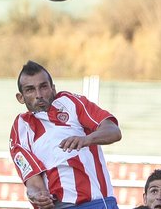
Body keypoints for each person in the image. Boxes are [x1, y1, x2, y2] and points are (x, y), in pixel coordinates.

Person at [9, 60, 122, 209]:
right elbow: (33, 183)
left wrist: (86, 139)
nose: (39, 95)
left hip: (96, 203)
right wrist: (37, 196)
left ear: (53, 89)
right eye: (30, 90)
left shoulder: (70, 103)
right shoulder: (20, 128)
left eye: (43, 87)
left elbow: (114, 131)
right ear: (21, 97)